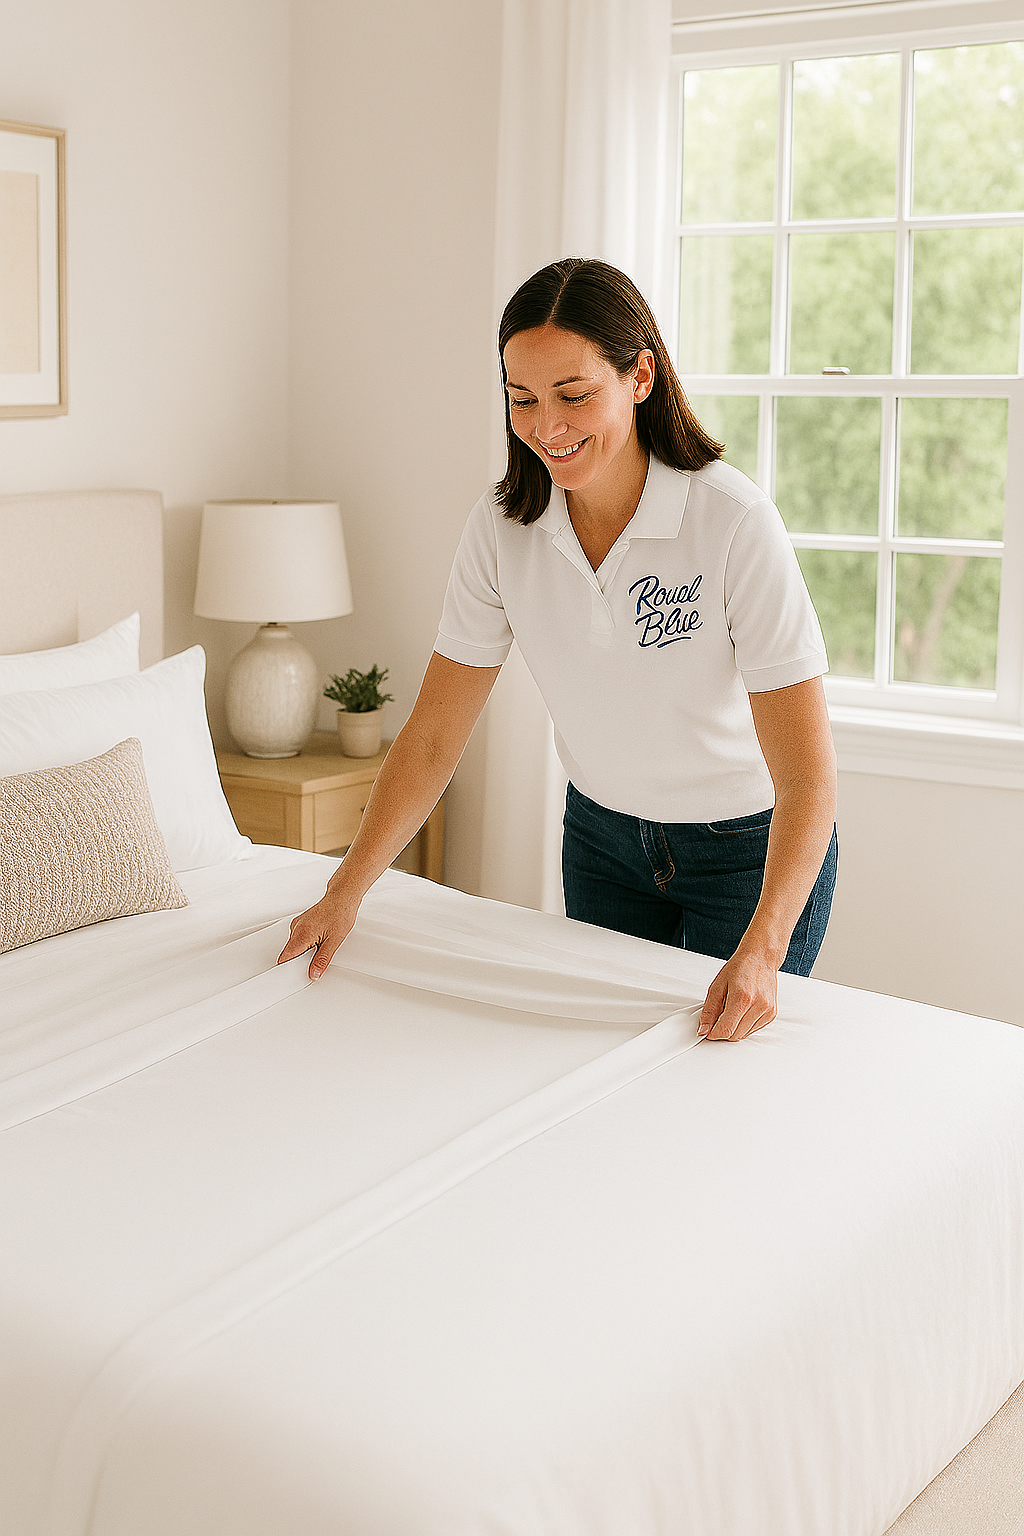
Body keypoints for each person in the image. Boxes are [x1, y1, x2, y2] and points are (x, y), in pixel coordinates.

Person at [278, 257, 838, 1042]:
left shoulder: (732, 522)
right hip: (603, 840)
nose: (548, 426)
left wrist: (764, 947)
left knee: (721, 1077)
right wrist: (346, 890)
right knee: (599, 1065)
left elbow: (809, 777)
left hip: (744, 850)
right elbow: (435, 738)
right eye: (523, 399)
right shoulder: (502, 531)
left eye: (575, 395)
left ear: (640, 376)